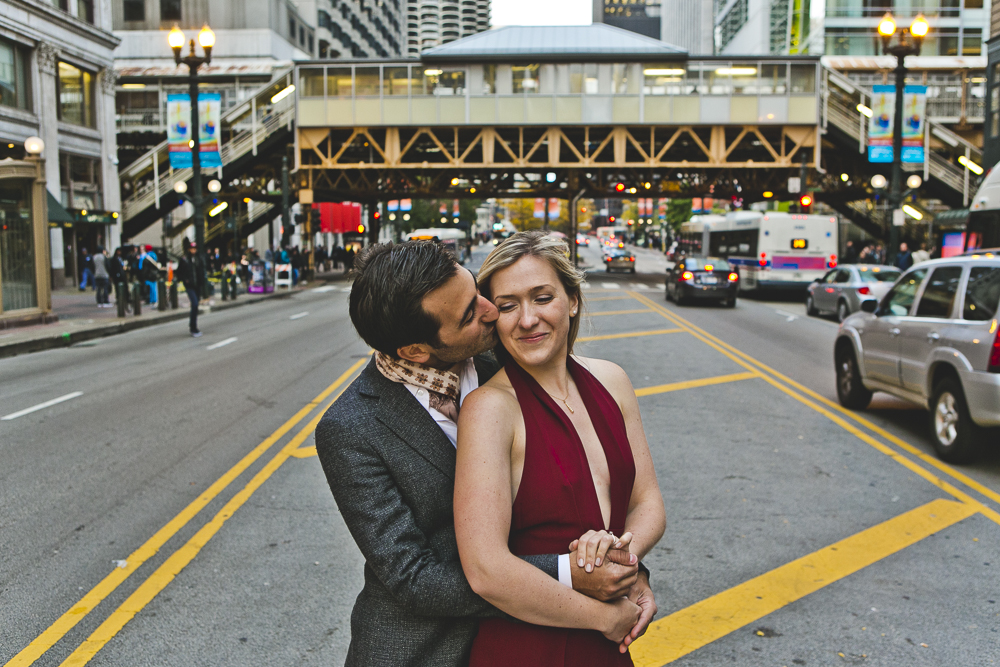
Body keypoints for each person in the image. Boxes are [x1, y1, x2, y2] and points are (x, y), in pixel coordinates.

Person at [315, 241, 654, 667]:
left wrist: (625, 569)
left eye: (476, 291)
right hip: (429, 650)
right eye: (469, 315)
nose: (491, 311)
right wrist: (574, 577)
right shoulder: (351, 427)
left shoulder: (508, 352)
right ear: (416, 351)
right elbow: (415, 579)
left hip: (540, 634)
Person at [456, 232, 665, 666]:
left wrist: (622, 558)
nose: (527, 319)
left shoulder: (613, 381)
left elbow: (648, 504)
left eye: (542, 297)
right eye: (509, 305)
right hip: (529, 645)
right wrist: (600, 617)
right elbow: (486, 570)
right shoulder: (489, 409)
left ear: (571, 299)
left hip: (609, 639)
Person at [177, 241, 202, 337]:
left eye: (195, 249)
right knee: (194, 304)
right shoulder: (184, 260)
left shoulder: (198, 258)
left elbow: (201, 270)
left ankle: (194, 325)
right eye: (192, 249)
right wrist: (185, 280)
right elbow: (179, 272)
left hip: (197, 285)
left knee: (195, 306)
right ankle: (193, 327)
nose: (193, 250)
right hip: (190, 286)